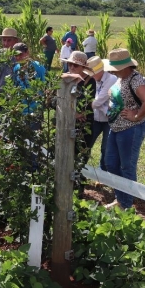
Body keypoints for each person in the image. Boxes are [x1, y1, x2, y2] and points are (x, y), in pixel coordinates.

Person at [102, 48, 145, 210]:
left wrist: (137, 116)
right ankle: (120, 198)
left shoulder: (135, 79)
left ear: (125, 66)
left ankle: (126, 204)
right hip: (116, 128)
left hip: (130, 129)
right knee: (110, 163)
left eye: (115, 68)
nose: (113, 71)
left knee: (127, 166)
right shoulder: (121, 78)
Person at [62, 51, 96, 188]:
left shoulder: (90, 81)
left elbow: (85, 105)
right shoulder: (65, 78)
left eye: (75, 65)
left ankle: (78, 185)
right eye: (70, 64)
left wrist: (74, 113)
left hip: (83, 124)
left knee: (81, 153)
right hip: (67, 122)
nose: (72, 67)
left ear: (83, 67)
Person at [85, 55, 117, 171]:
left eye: (92, 73)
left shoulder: (111, 79)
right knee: (87, 143)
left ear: (100, 71)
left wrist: (92, 104)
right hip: (95, 118)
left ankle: (102, 174)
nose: (91, 75)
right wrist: (98, 104)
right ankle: (81, 169)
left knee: (105, 148)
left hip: (108, 120)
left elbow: (97, 101)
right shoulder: (93, 80)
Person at [11, 42, 46, 115]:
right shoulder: (16, 68)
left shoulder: (38, 67)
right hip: (21, 109)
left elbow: (44, 87)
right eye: (15, 55)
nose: (18, 57)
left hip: (35, 109)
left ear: (27, 52)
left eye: (20, 54)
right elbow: (16, 86)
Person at [0, 27, 20, 96]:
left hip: (12, 95)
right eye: (4, 40)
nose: (5, 43)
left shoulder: (19, 57)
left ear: (16, 41)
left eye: (9, 40)